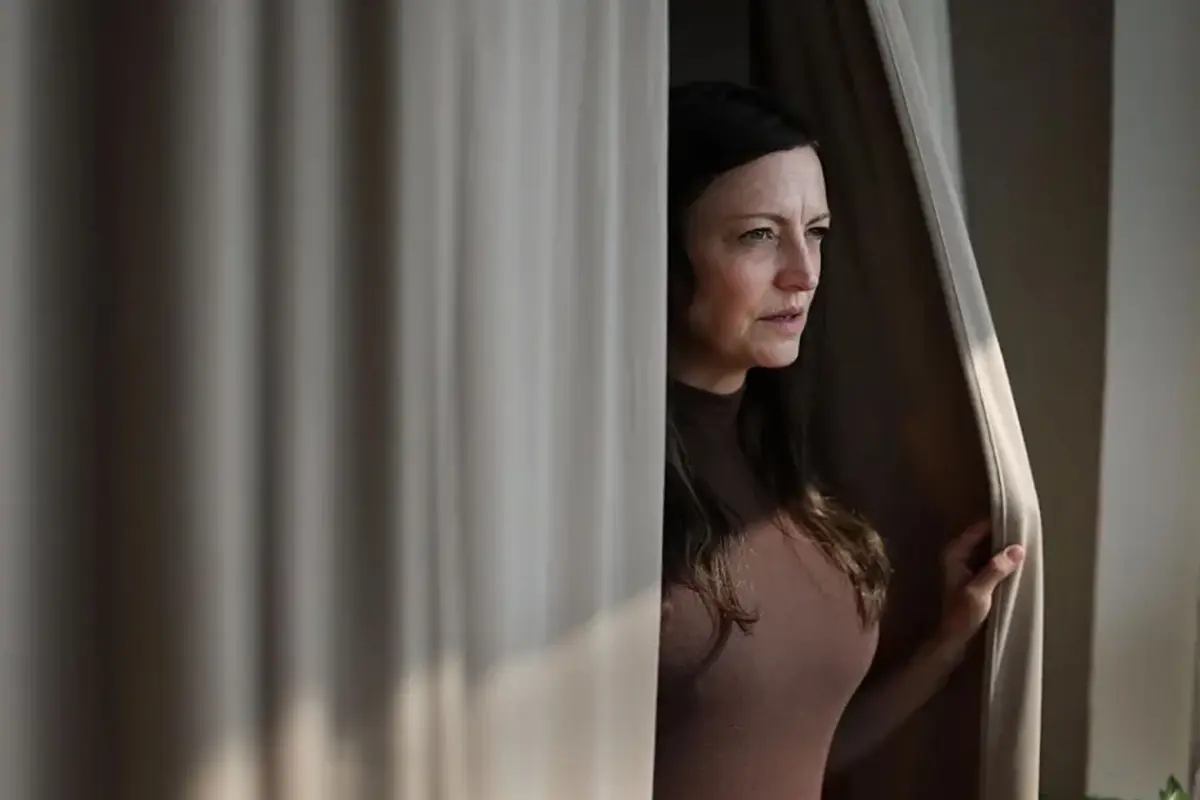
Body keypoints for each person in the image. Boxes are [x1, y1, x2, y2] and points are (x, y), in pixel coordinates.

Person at [654, 81, 1026, 800]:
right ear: (663, 249)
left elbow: (799, 751)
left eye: (817, 232)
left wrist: (945, 644)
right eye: (759, 235)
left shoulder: (783, 468)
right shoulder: (612, 488)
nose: (803, 273)